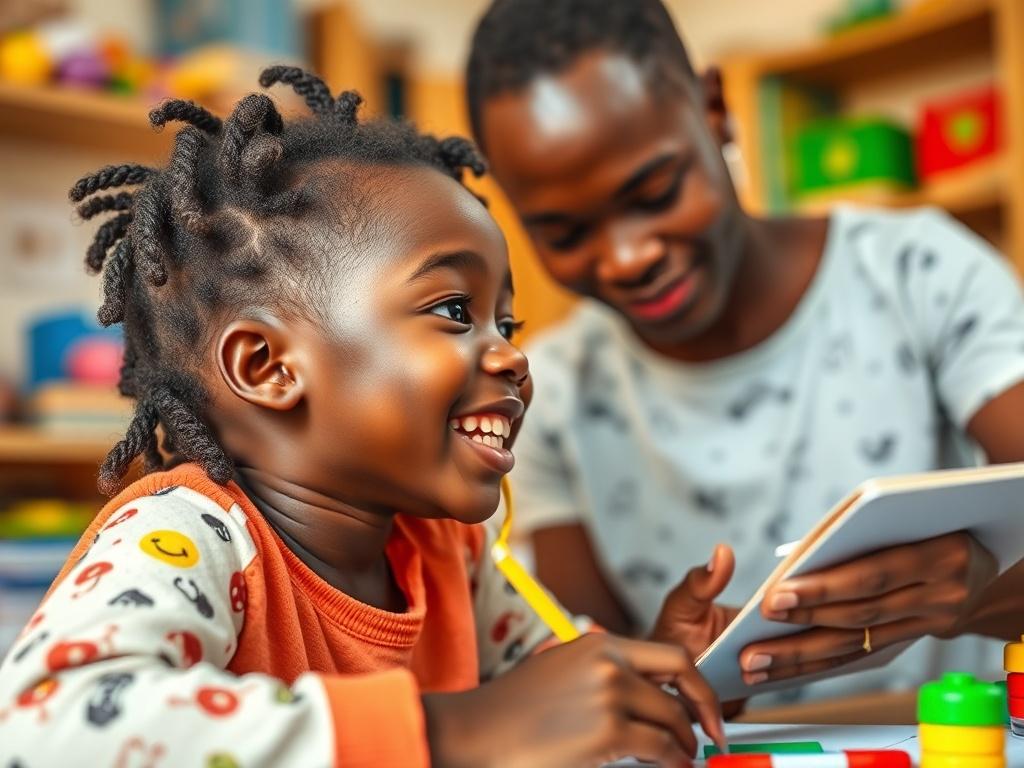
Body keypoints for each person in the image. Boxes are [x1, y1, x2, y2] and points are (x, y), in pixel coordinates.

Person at [0, 67, 726, 767]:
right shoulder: (189, 538)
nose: (511, 356)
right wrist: (457, 734)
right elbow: (39, 730)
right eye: (453, 312)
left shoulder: (449, 553)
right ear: (267, 367)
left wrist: (655, 672)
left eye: (508, 323)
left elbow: (555, 690)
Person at [466, 0, 1024, 703]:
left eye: (656, 191)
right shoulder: (547, 396)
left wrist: (976, 598)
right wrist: (677, 675)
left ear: (715, 110)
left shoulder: (916, 273)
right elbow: (597, 682)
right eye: (566, 233)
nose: (628, 256)